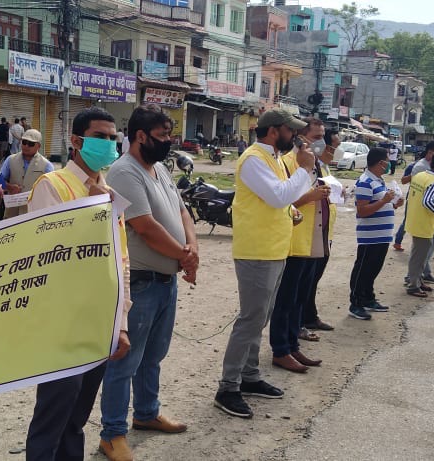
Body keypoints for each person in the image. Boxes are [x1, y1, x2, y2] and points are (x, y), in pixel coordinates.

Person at [25, 107, 132, 461]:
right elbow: (47, 256)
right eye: (100, 137)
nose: (109, 144)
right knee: (53, 415)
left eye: (113, 138)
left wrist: (120, 323)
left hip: (98, 322)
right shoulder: (52, 186)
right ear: (76, 141)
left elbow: (121, 262)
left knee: (77, 418)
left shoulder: (109, 192)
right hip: (62, 325)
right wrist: (93, 206)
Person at [99, 105, 198, 461]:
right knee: (124, 361)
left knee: (153, 356)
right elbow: (145, 227)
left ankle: (146, 413)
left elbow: (183, 212)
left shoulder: (159, 169)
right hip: (140, 282)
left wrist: (192, 249)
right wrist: (184, 256)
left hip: (165, 281)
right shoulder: (125, 172)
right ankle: (112, 434)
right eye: (162, 135)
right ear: (140, 136)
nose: (168, 141)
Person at [214, 109, 315, 419]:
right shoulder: (254, 159)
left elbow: (280, 201)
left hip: (274, 249)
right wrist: (304, 169)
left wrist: (291, 210)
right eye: (291, 131)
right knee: (250, 319)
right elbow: (278, 196)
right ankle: (228, 387)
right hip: (256, 251)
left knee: (260, 317)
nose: (295, 136)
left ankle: (249, 375)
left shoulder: (273, 158)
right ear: (274, 131)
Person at [268, 117, 332, 373]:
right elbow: (282, 201)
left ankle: (293, 345)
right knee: (286, 299)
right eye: (316, 137)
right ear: (301, 137)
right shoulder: (287, 162)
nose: (321, 142)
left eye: (322, 136)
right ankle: (280, 349)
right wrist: (310, 196)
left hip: (313, 238)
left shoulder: (315, 163)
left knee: (299, 298)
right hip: (293, 241)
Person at [349, 147, 404, 320]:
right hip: (370, 236)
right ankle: (356, 303)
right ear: (380, 163)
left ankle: (368, 298)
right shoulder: (365, 181)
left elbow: (380, 204)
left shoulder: (378, 180)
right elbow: (362, 211)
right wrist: (384, 200)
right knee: (363, 270)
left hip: (382, 235)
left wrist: (393, 204)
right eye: (387, 161)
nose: (389, 164)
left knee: (373, 269)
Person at [300, 128, 342, 335]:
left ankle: (309, 316)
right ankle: (299, 323)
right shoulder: (304, 166)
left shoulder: (322, 167)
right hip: (307, 233)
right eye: (333, 146)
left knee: (313, 278)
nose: (335, 151)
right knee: (303, 282)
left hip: (324, 231)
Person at [405, 153, 434, 297]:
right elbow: (428, 202)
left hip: (414, 219)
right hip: (424, 223)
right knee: (419, 256)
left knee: (418, 253)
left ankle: (418, 280)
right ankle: (413, 285)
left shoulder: (420, 176)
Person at [394, 140, 434, 252]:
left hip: (424, 197)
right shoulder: (417, 166)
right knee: (408, 220)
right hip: (414, 196)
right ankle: (398, 241)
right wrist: (415, 176)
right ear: (430, 152)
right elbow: (403, 180)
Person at [0, 128, 54, 219]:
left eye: (31, 144)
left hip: (33, 214)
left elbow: (51, 191)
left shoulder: (47, 165)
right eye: (24, 142)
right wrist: (9, 187)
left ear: (38, 146)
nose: (26, 146)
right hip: (11, 213)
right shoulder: (10, 160)